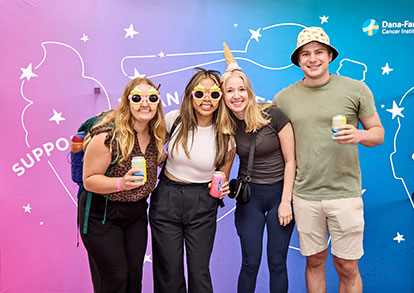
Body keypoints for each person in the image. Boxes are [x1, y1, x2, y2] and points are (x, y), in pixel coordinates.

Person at [273, 27, 385, 292]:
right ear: (298, 60)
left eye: (319, 52)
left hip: (345, 194)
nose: (313, 59)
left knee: (347, 266)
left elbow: (378, 134)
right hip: (304, 195)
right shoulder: (284, 98)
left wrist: (359, 134)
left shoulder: (356, 89)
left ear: (330, 56)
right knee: (314, 262)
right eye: (306, 54)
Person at [149, 68, 236, 293]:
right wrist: (165, 161)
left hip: (203, 202)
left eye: (214, 94)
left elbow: (222, 176)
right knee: (168, 271)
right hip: (167, 198)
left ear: (221, 98)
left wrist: (223, 187)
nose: (206, 99)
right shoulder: (174, 119)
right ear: (190, 95)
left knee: (199, 272)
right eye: (200, 93)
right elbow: (151, 147)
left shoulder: (226, 134)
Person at [79, 77, 167, 293]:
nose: (144, 103)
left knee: (134, 277)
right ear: (127, 102)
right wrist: (121, 183)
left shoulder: (156, 134)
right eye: (137, 98)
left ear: (158, 102)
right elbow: (89, 180)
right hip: (102, 214)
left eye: (151, 98)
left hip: (136, 213)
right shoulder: (108, 135)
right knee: (115, 279)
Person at [220, 43, 296, 293]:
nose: (236, 95)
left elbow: (290, 161)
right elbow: (227, 164)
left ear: (249, 91)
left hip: (278, 198)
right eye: (229, 90)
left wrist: (286, 202)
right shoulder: (227, 125)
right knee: (250, 263)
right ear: (223, 96)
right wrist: (217, 187)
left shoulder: (274, 115)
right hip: (249, 198)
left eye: (241, 89)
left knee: (277, 263)